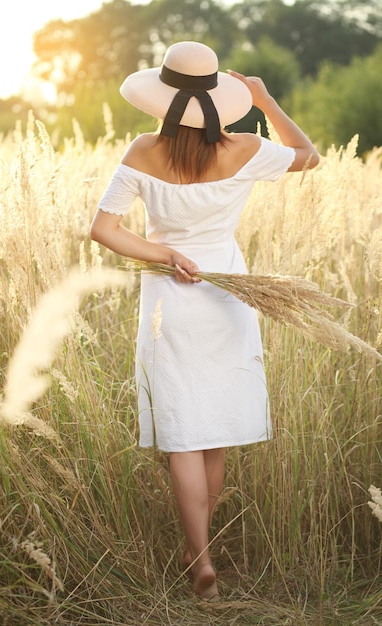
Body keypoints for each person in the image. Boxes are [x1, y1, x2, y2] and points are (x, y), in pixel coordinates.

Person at [90, 41, 319, 601]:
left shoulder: (144, 149)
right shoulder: (245, 147)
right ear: (221, 97)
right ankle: (202, 553)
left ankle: (199, 561)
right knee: (212, 432)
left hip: (172, 297)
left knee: (183, 435)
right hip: (229, 293)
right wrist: (265, 100)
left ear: (164, 100)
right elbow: (308, 155)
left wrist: (165, 254)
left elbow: (104, 229)